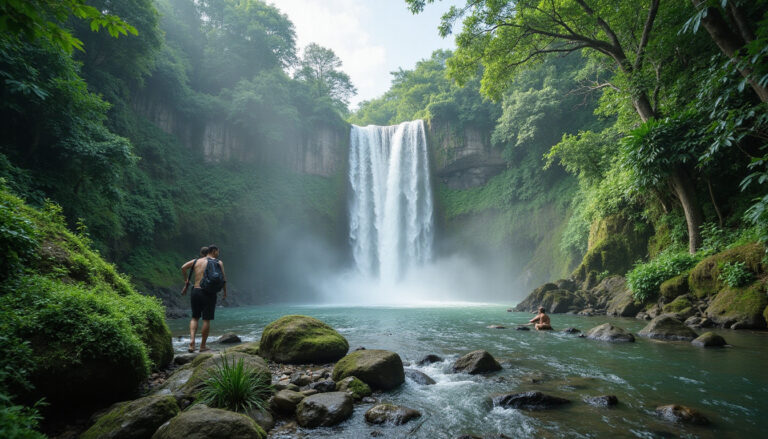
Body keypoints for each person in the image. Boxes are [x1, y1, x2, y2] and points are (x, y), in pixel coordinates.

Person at [181, 245, 227, 352]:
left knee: (194, 318)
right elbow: (224, 279)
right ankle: (202, 346)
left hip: (196, 291)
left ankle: (192, 342)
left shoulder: (196, 261)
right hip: (209, 293)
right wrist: (225, 292)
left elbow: (183, 267)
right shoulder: (218, 262)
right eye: (218, 251)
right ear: (214, 251)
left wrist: (186, 281)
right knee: (206, 319)